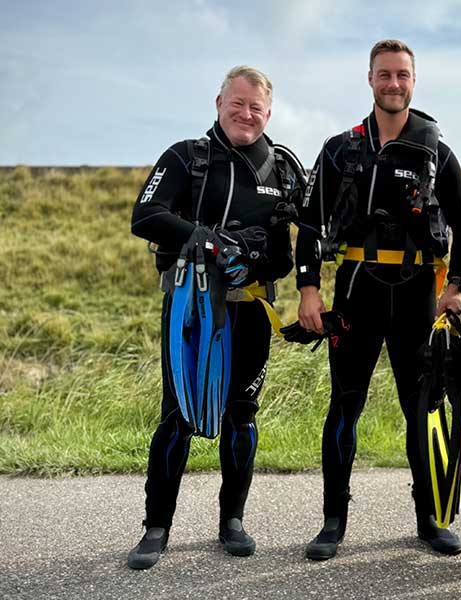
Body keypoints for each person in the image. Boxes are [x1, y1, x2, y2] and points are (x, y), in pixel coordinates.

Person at [295, 39, 461, 560]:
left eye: (402, 75)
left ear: (414, 81)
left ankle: (430, 518)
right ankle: (333, 521)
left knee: (423, 410)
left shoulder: (437, 151)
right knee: (344, 407)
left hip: (418, 293)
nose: (393, 84)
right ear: (369, 79)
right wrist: (309, 287)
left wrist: (455, 285)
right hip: (356, 289)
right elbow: (309, 221)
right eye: (384, 75)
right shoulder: (340, 148)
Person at [128, 66, 305, 570]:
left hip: (250, 310)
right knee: (178, 415)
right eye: (237, 103)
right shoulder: (188, 157)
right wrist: (208, 239)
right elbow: (146, 215)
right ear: (218, 102)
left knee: (242, 414)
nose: (245, 114)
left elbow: (283, 260)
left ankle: (232, 521)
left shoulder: (281, 169)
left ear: (268, 113)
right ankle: (156, 528)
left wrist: (250, 254)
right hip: (192, 309)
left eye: (256, 107)